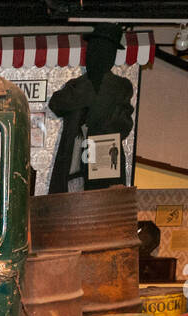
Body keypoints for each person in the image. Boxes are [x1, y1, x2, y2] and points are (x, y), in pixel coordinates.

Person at [47, 23, 135, 194]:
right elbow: (56, 104)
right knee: (71, 203)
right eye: (92, 50)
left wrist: (94, 111)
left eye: (101, 50)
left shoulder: (120, 87)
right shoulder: (77, 85)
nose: (95, 55)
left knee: (102, 208)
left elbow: (124, 125)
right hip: (75, 157)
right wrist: (88, 90)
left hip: (104, 159)